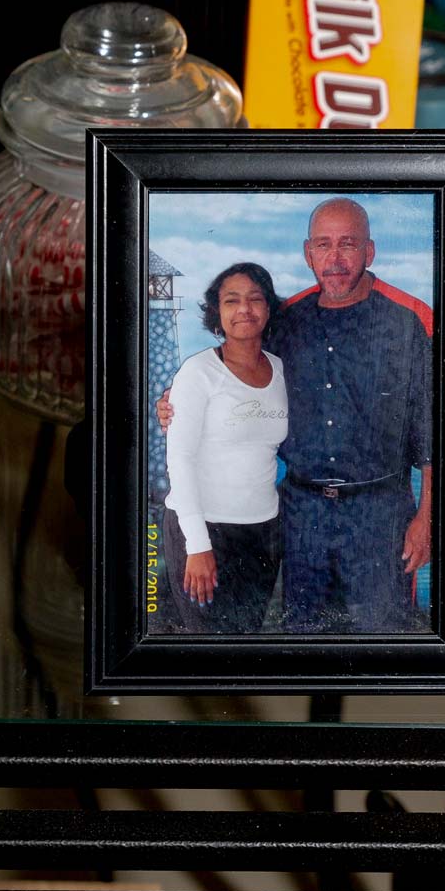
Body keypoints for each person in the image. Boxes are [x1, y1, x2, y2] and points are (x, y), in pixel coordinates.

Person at [159, 196, 433, 632]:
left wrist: (427, 518)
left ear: (370, 251)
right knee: (303, 636)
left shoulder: (405, 323)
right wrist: (174, 399)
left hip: (380, 514)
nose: (336, 258)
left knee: (386, 638)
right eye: (324, 245)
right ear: (308, 254)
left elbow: (429, 429)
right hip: (301, 515)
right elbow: (237, 370)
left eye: (348, 244)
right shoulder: (289, 323)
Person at [159, 262, 288, 634]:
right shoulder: (198, 373)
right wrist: (198, 546)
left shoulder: (280, 369)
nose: (244, 309)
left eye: (255, 299)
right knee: (209, 646)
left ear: (268, 308)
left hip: (264, 534)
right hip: (204, 531)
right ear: (217, 312)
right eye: (232, 301)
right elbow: (179, 459)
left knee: (245, 638)